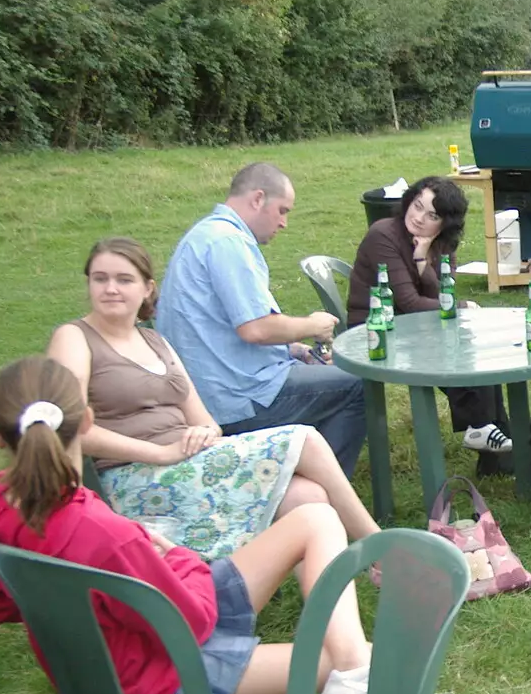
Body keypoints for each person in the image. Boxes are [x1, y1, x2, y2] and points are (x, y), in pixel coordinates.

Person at [0, 356, 528, 694]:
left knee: (315, 521)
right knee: (380, 674)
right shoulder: (100, 531)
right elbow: (192, 618)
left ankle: (354, 671)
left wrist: (143, 561)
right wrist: (172, 555)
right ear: (86, 421)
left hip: (94, 671)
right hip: (166, 679)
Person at [47, 238, 380, 563]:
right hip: (133, 479)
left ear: (147, 288)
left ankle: (316, 607)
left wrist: (204, 433)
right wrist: (161, 452)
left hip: (187, 464)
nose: (111, 289)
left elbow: (205, 421)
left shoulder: (154, 340)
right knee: (305, 439)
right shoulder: (75, 338)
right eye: (100, 279)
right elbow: (70, 427)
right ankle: (381, 550)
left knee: (310, 497)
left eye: (124, 279)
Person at [155, 163, 367, 477]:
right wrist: (313, 325)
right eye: (282, 210)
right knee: (358, 385)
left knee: (324, 373)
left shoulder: (207, 234)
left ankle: (294, 472)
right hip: (232, 400)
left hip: (215, 386)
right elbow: (255, 329)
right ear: (257, 199)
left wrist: (295, 349)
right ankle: (323, 495)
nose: (284, 223)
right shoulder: (228, 242)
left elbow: (229, 327)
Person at [346, 176, 513, 454]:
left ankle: (490, 442)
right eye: (417, 206)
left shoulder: (442, 244)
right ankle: (482, 427)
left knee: (478, 349)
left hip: (417, 325)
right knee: (457, 341)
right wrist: (461, 308)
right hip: (377, 329)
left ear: (445, 223)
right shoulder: (383, 234)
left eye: (432, 215)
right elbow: (410, 303)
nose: (419, 218)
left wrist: (423, 261)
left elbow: (438, 299)